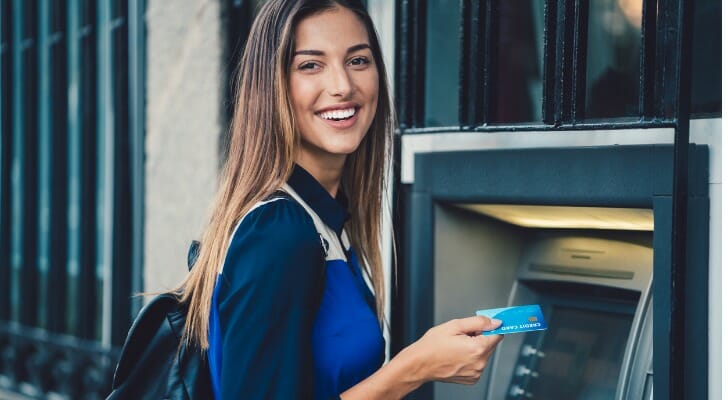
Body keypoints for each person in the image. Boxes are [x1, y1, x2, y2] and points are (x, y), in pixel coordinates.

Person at [176, 0, 503, 398]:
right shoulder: (280, 232)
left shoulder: (323, 219)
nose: (343, 86)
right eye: (310, 65)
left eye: (358, 60)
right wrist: (414, 368)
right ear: (272, 85)